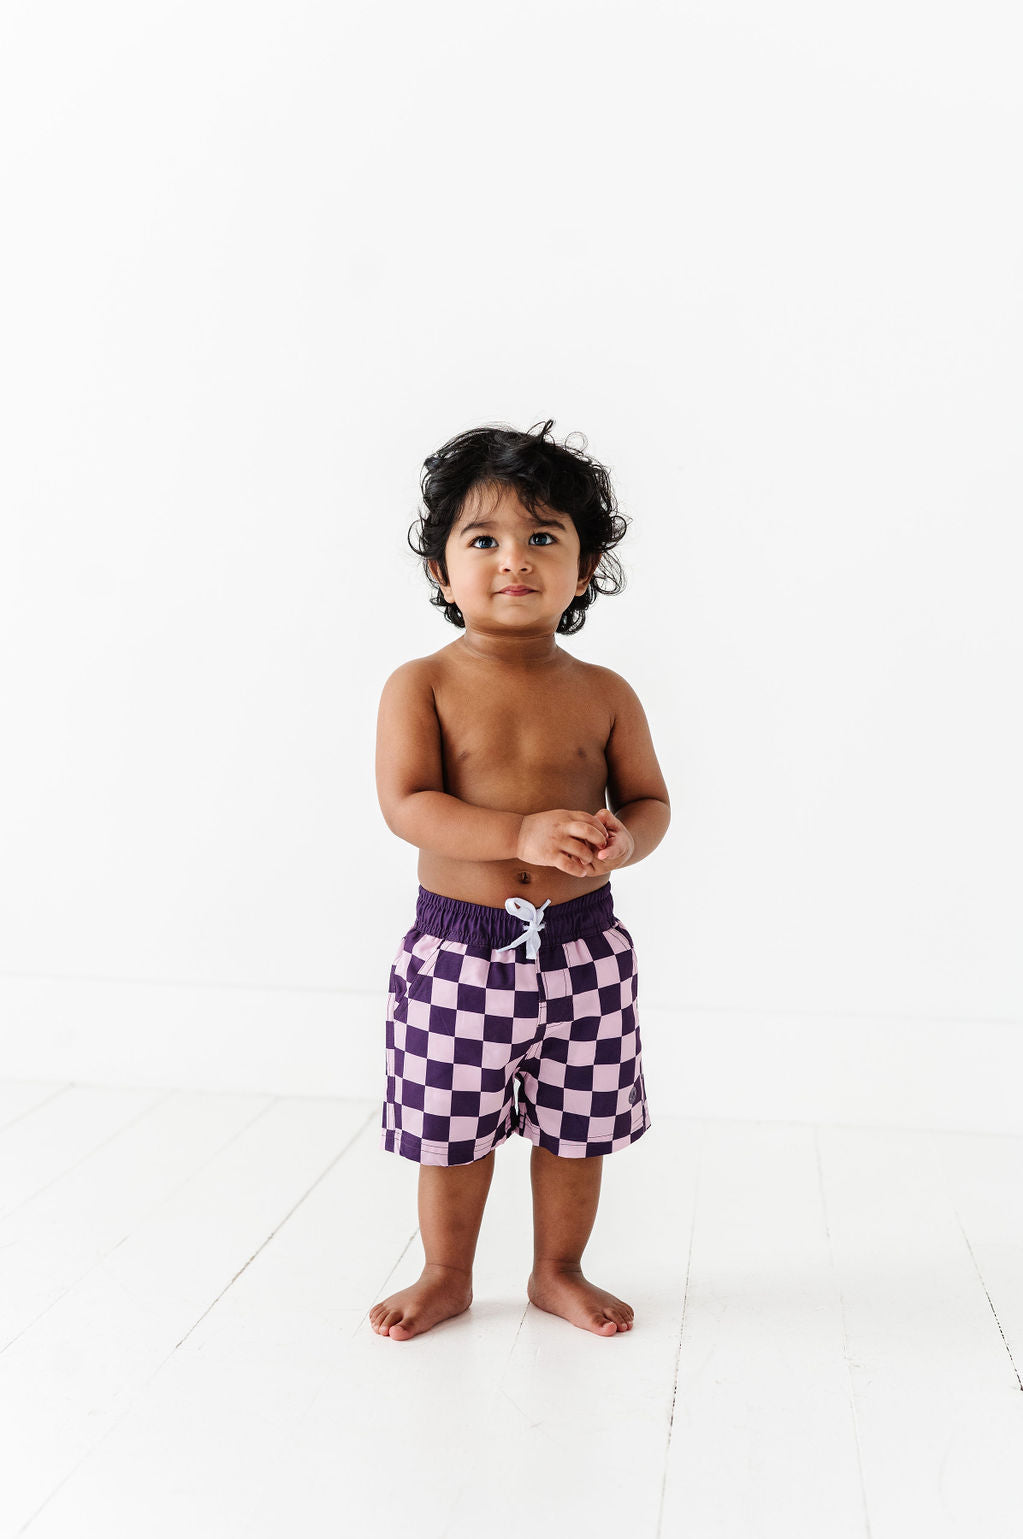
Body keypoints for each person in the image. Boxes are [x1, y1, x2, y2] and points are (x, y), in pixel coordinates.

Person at [370, 418, 670, 1342]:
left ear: (584, 571)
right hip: (461, 952)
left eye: (543, 536)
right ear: (439, 570)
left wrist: (623, 839)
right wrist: (520, 832)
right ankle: (446, 1272)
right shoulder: (421, 683)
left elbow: (650, 801)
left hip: (584, 952)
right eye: (483, 539)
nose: (514, 558)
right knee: (451, 1129)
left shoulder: (605, 692)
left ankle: (557, 1269)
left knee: (577, 1126)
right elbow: (407, 804)